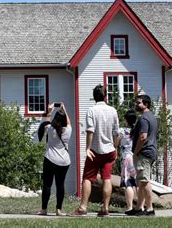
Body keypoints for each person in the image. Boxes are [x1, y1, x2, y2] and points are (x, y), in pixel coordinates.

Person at [70, 84, 119, 217]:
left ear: (94, 97)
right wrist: (116, 148)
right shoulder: (113, 110)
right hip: (109, 150)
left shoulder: (91, 110)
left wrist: (87, 148)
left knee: (87, 178)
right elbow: (116, 132)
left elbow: (90, 130)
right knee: (107, 178)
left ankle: (83, 207)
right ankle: (105, 208)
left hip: (95, 150)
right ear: (105, 96)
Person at [37, 103, 72, 216]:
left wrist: (49, 111)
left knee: (47, 184)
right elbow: (69, 122)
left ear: (55, 119)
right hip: (64, 161)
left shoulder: (50, 129)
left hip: (50, 159)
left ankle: (44, 209)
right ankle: (59, 210)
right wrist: (64, 110)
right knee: (60, 185)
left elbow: (45, 122)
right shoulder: (68, 131)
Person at [127, 94, 158, 216]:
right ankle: (139, 207)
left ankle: (150, 209)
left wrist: (135, 152)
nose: (136, 104)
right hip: (149, 152)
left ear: (146, 104)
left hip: (144, 152)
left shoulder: (144, 118)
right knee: (141, 181)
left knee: (144, 181)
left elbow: (143, 136)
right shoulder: (152, 117)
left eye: (139, 103)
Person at [116, 110, 138, 214]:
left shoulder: (122, 131)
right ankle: (140, 206)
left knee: (128, 183)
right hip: (136, 158)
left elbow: (116, 143)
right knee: (136, 183)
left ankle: (129, 207)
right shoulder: (137, 130)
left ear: (126, 120)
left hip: (126, 159)